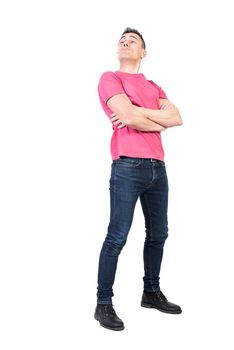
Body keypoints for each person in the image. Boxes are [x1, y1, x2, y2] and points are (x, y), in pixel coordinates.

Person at [94, 27, 183, 331]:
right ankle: (103, 303)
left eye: (133, 41)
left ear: (143, 52)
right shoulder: (110, 78)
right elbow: (130, 118)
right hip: (127, 166)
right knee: (117, 235)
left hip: (158, 168)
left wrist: (136, 111)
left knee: (159, 233)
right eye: (122, 40)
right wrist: (152, 119)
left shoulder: (153, 85)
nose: (125, 42)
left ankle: (151, 292)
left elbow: (177, 118)